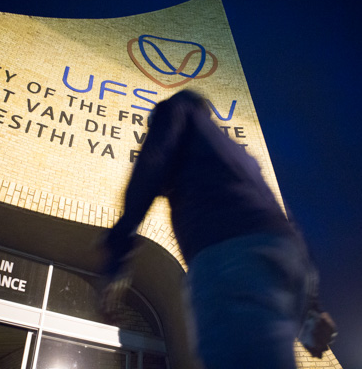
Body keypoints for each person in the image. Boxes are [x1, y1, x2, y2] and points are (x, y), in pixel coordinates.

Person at [101, 90, 331, 368]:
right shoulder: (236, 154)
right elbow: (287, 221)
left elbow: (151, 166)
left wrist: (119, 246)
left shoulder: (176, 112)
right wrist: (311, 309)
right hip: (286, 258)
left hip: (230, 255)